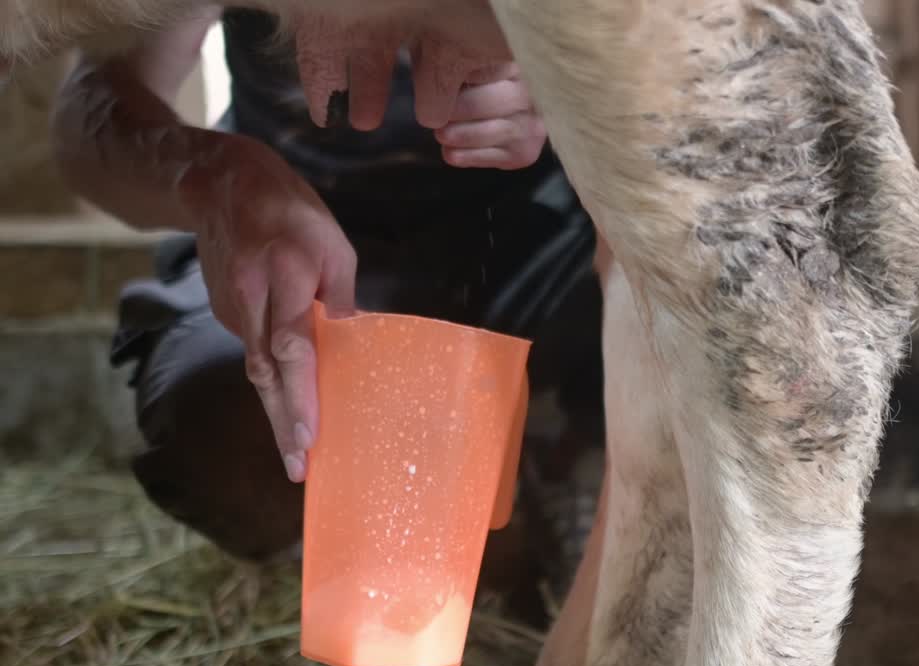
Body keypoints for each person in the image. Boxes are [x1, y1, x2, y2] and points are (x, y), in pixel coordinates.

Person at [51, 6, 604, 598]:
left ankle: (548, 473)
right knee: (225, 425)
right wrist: (214, 178)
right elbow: (91, 106)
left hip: (544, 256)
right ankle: (469, 550)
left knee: (661, 390)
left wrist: (568, 95)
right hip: (297, 241)